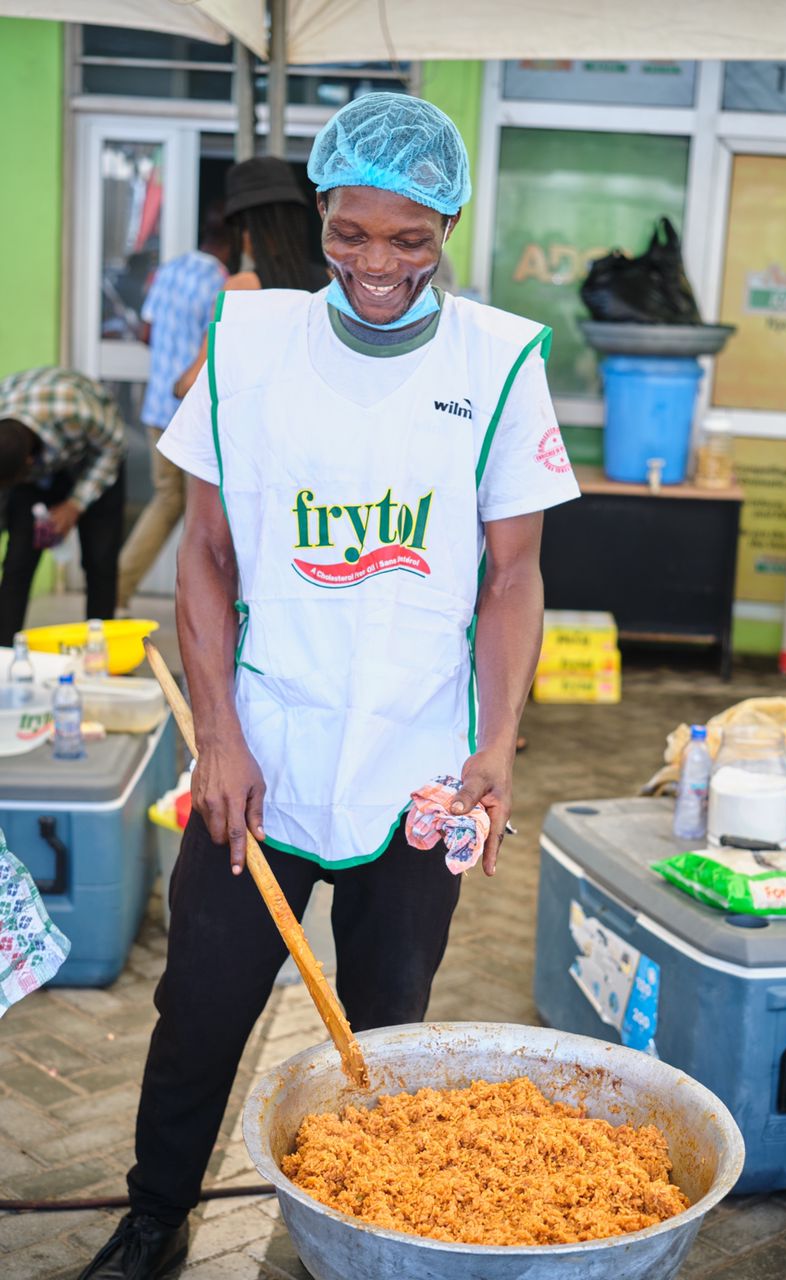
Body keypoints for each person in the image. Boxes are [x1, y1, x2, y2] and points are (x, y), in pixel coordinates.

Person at [77, 93, 579, 1280]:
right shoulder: (252, 347)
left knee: (389, 1021)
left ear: (450, 221)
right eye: (352, 232)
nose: (378, 264)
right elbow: (202, 552)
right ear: (321, 212)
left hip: (420, 769)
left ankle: (369, 1226)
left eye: (412, 238)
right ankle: (155, 1215)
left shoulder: (499, 360)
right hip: (264, 751)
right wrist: (223, 738)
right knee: (200, 1006)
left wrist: (497, 743)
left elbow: (514, 576)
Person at [115, 207, 231, 611]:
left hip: (155, 409)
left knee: (168, 502)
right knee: (200, 515)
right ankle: (187, 602)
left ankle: (119, 587)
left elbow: (147, 331)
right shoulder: (220, 282)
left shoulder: (170, 269)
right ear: (231, 245)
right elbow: (213, 349)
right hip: (190, 414)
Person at [173, 156, 321, 400]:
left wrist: (176, 386)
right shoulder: (329, 280)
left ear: (249, 230)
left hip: (260, 432)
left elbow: (197, 381)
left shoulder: (242, 288)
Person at [0, 367, 126, 646]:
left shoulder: (75, 411)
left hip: (95, 457)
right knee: (18, 559)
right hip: (29, 458)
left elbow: (115, 445)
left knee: (99, 558)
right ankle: (3, 654)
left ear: (30, 464)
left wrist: (74, 505)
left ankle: (100, 656)